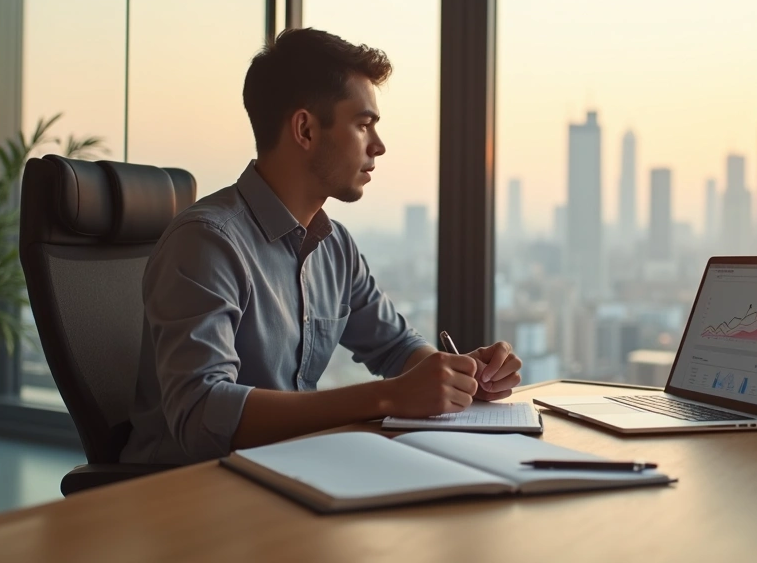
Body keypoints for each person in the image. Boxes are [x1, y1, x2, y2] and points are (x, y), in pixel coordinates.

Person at [122, 28, 522, 465]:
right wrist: (388, 397)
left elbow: (396, 348)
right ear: (306, 129)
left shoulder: (335, 247)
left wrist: (457, 376)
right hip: (185, 497)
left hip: (289, 475)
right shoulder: (206, 243)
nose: (379, 146)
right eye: (363, 124)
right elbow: (202, 415)